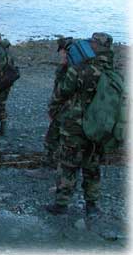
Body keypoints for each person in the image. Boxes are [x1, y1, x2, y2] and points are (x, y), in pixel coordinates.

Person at [46, 32, 114, 216]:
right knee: (92, 166)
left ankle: (61, 204)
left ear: (95, 46)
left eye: (92, 42)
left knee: (68, 164)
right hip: (100, 127)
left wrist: (52, 111)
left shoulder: (81, 69)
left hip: (75, 126)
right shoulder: (113, 73)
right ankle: (91, 205)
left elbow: (61, 93)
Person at [45, 37, 74, 167]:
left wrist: (52, 110)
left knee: (52, 139)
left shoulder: (67, 69)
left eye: (61, 52)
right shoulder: (81, 66)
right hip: (74, 110)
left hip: (64, 110)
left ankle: (50, 167)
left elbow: (60, 92)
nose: (60, 55)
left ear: (64, 51)